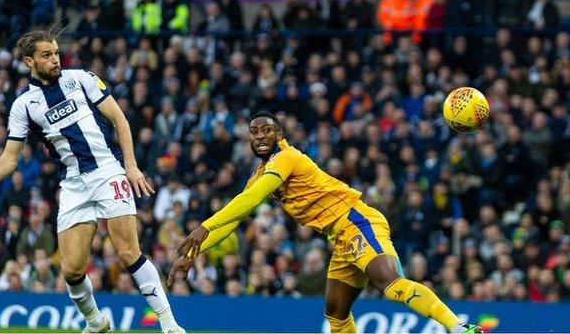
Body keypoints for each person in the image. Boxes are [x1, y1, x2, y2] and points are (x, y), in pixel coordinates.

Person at [168, 112, 482, 334]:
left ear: (279, 135)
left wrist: (204, 226)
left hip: (357, 220)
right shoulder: (259, 175)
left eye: (266, 130)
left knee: (389, 283)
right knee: (335, 313)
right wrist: (192, 254)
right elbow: (235, 218)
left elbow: (249, 202)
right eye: (254, 132)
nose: (260, 136)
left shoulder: (287, 158)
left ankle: (458, 327)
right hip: (340, 238)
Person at [0, 29, 185, 334]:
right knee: (71, 270)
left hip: (107, 171)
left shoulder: (81, 78)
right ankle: (96, 322)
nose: (55, 59)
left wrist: (130, 166)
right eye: (46, 55)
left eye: (56, 52)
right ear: (29, 61)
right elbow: (11, 157)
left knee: (128, 251)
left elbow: (119, 120)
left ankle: (170, 325)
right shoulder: (24, 105)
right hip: (73, 184)